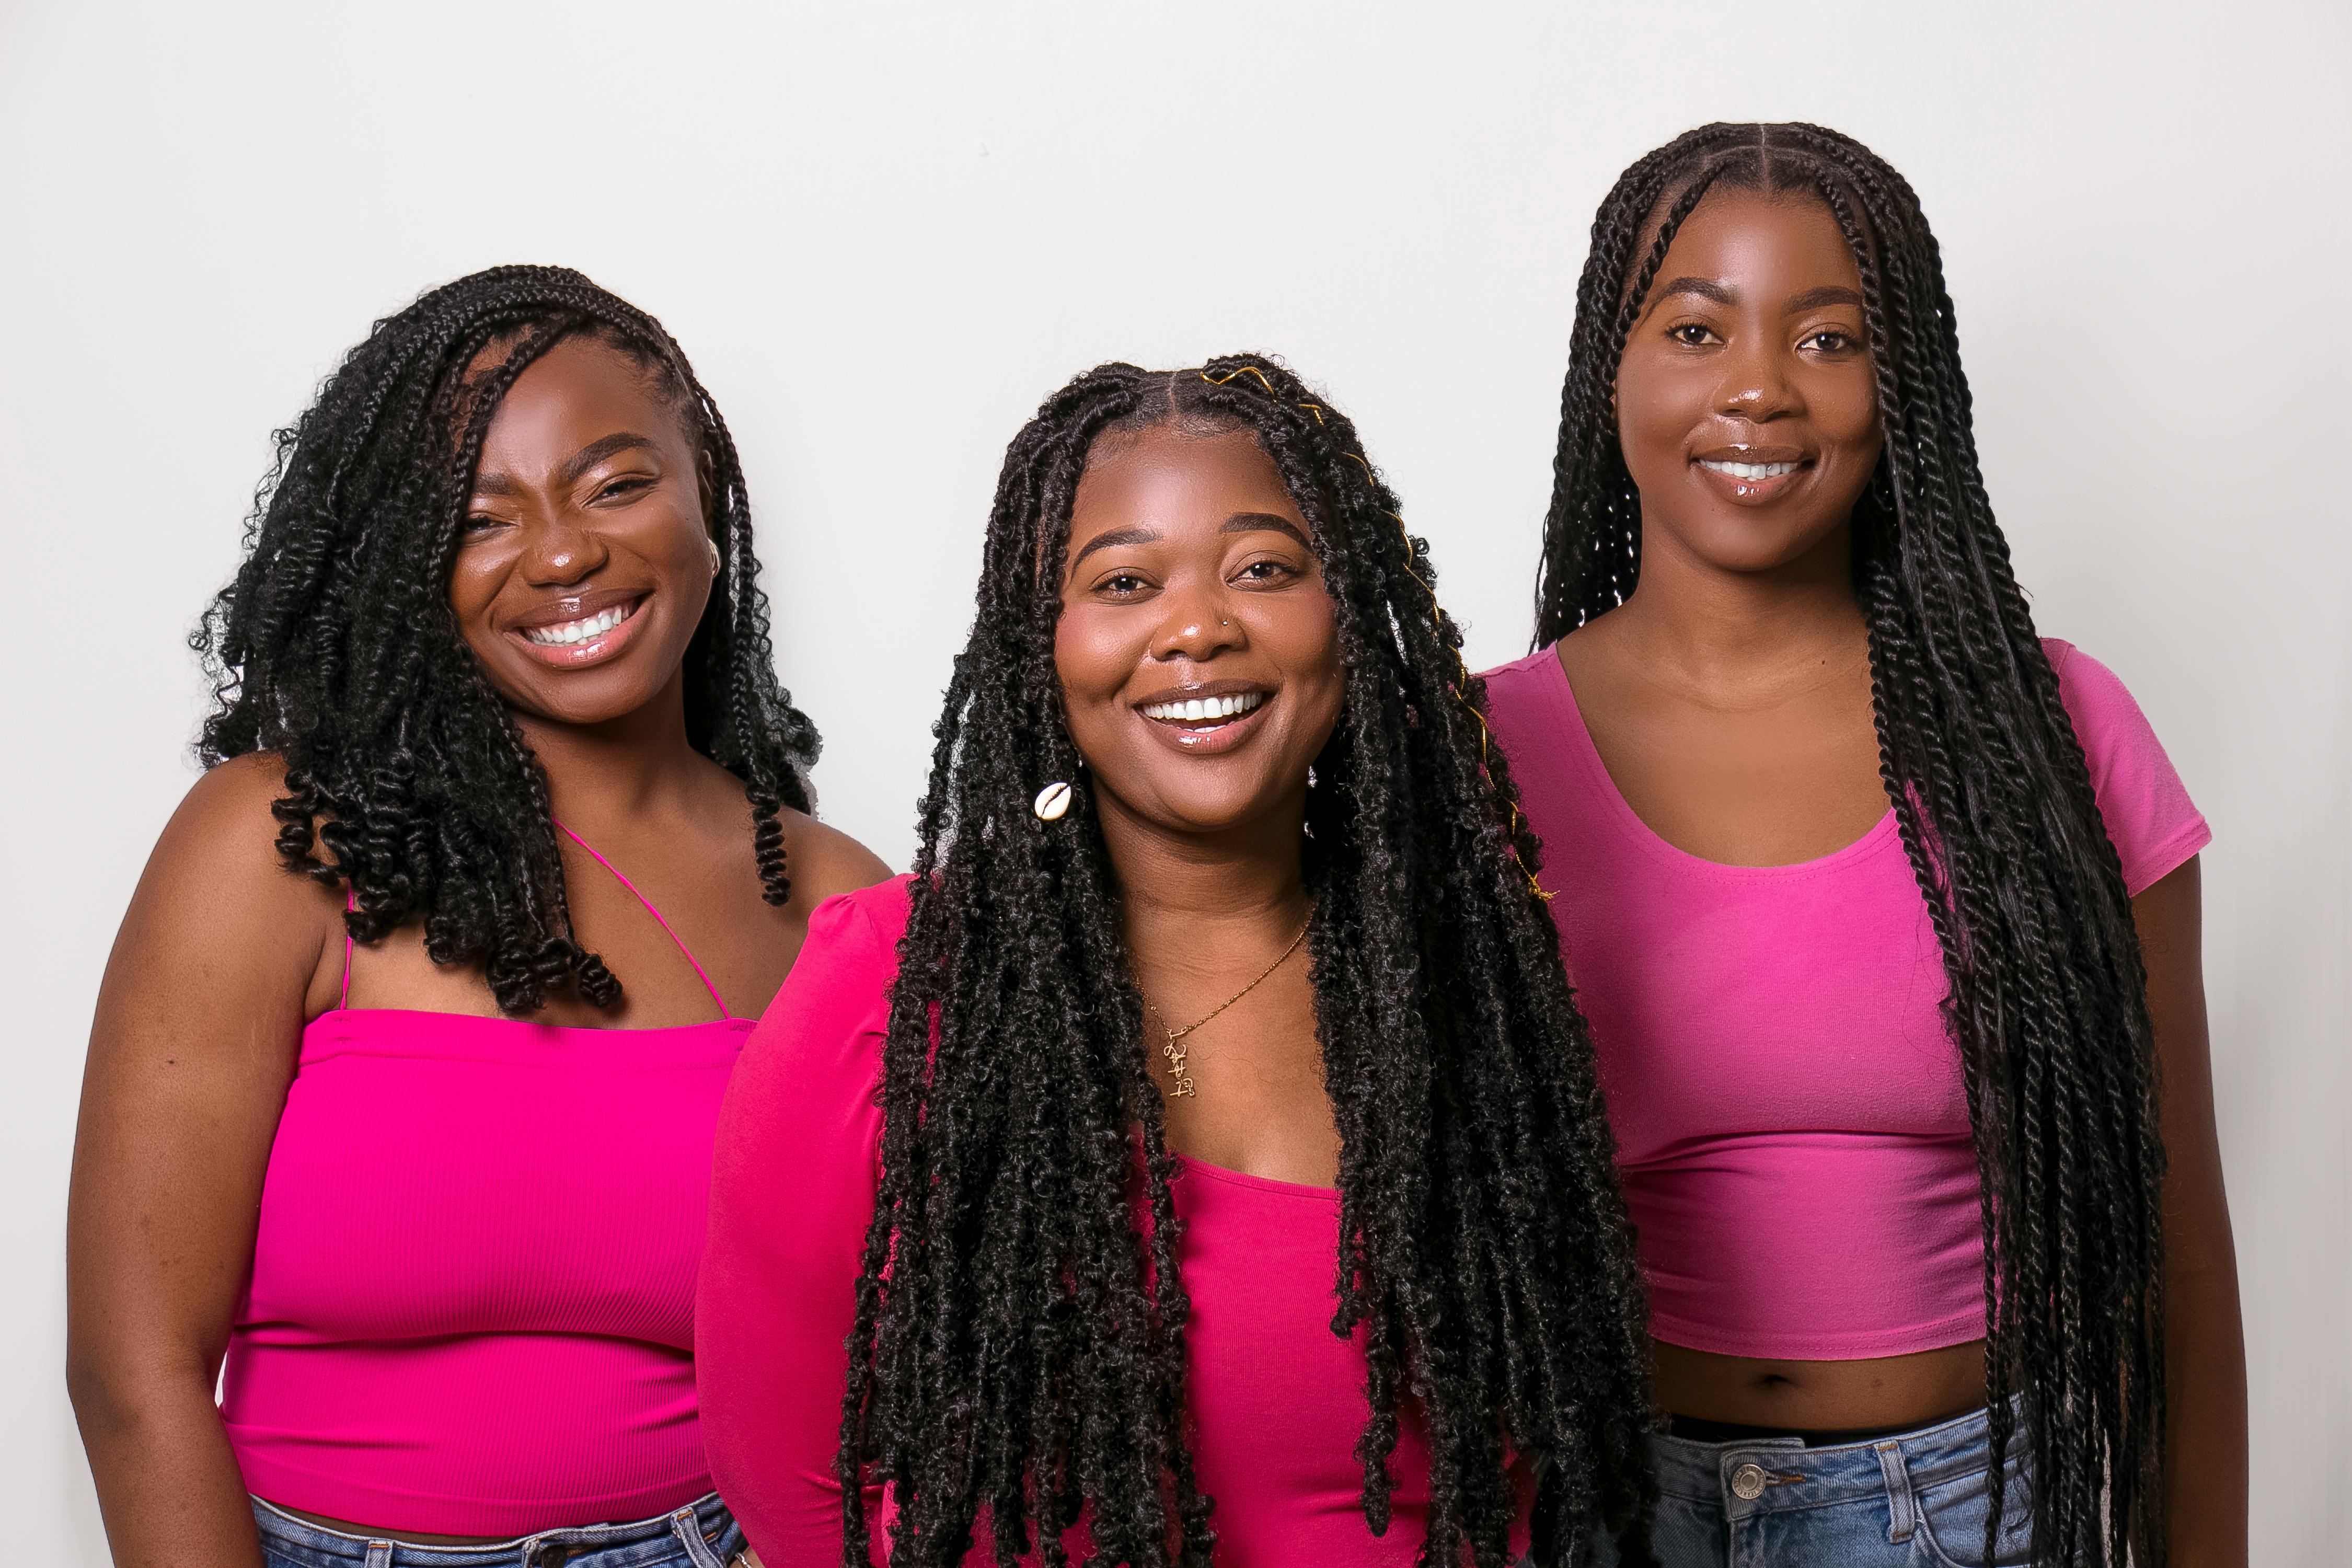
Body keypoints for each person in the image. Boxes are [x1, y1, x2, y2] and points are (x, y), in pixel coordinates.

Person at [695, 357, 1658, 1567]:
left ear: (1348, 612)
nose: (1198, 627)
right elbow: (784, 1473)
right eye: (1125, 582)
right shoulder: (890, 984)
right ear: (1042, 642)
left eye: (1262, 568)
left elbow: (1520, 1480)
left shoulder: (1466, 994)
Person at [1481, 123, 2246, 1567]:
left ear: (1904, 387)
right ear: (1613, 368)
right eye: (1695, 327)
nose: (1759, 387)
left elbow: (2173, 1251)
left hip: (1963, 1515)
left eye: (1829, 337)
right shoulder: (1471, 758)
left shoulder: (2055, 735)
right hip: (1596, 1505)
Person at [66, 266, 889, 1568]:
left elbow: (873, 1388)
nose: (565, 553)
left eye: (619, 484)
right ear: (406, 564)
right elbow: (134, 1375)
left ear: (707, 505)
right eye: (478, 518)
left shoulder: (832, 902)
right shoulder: (279, 847)